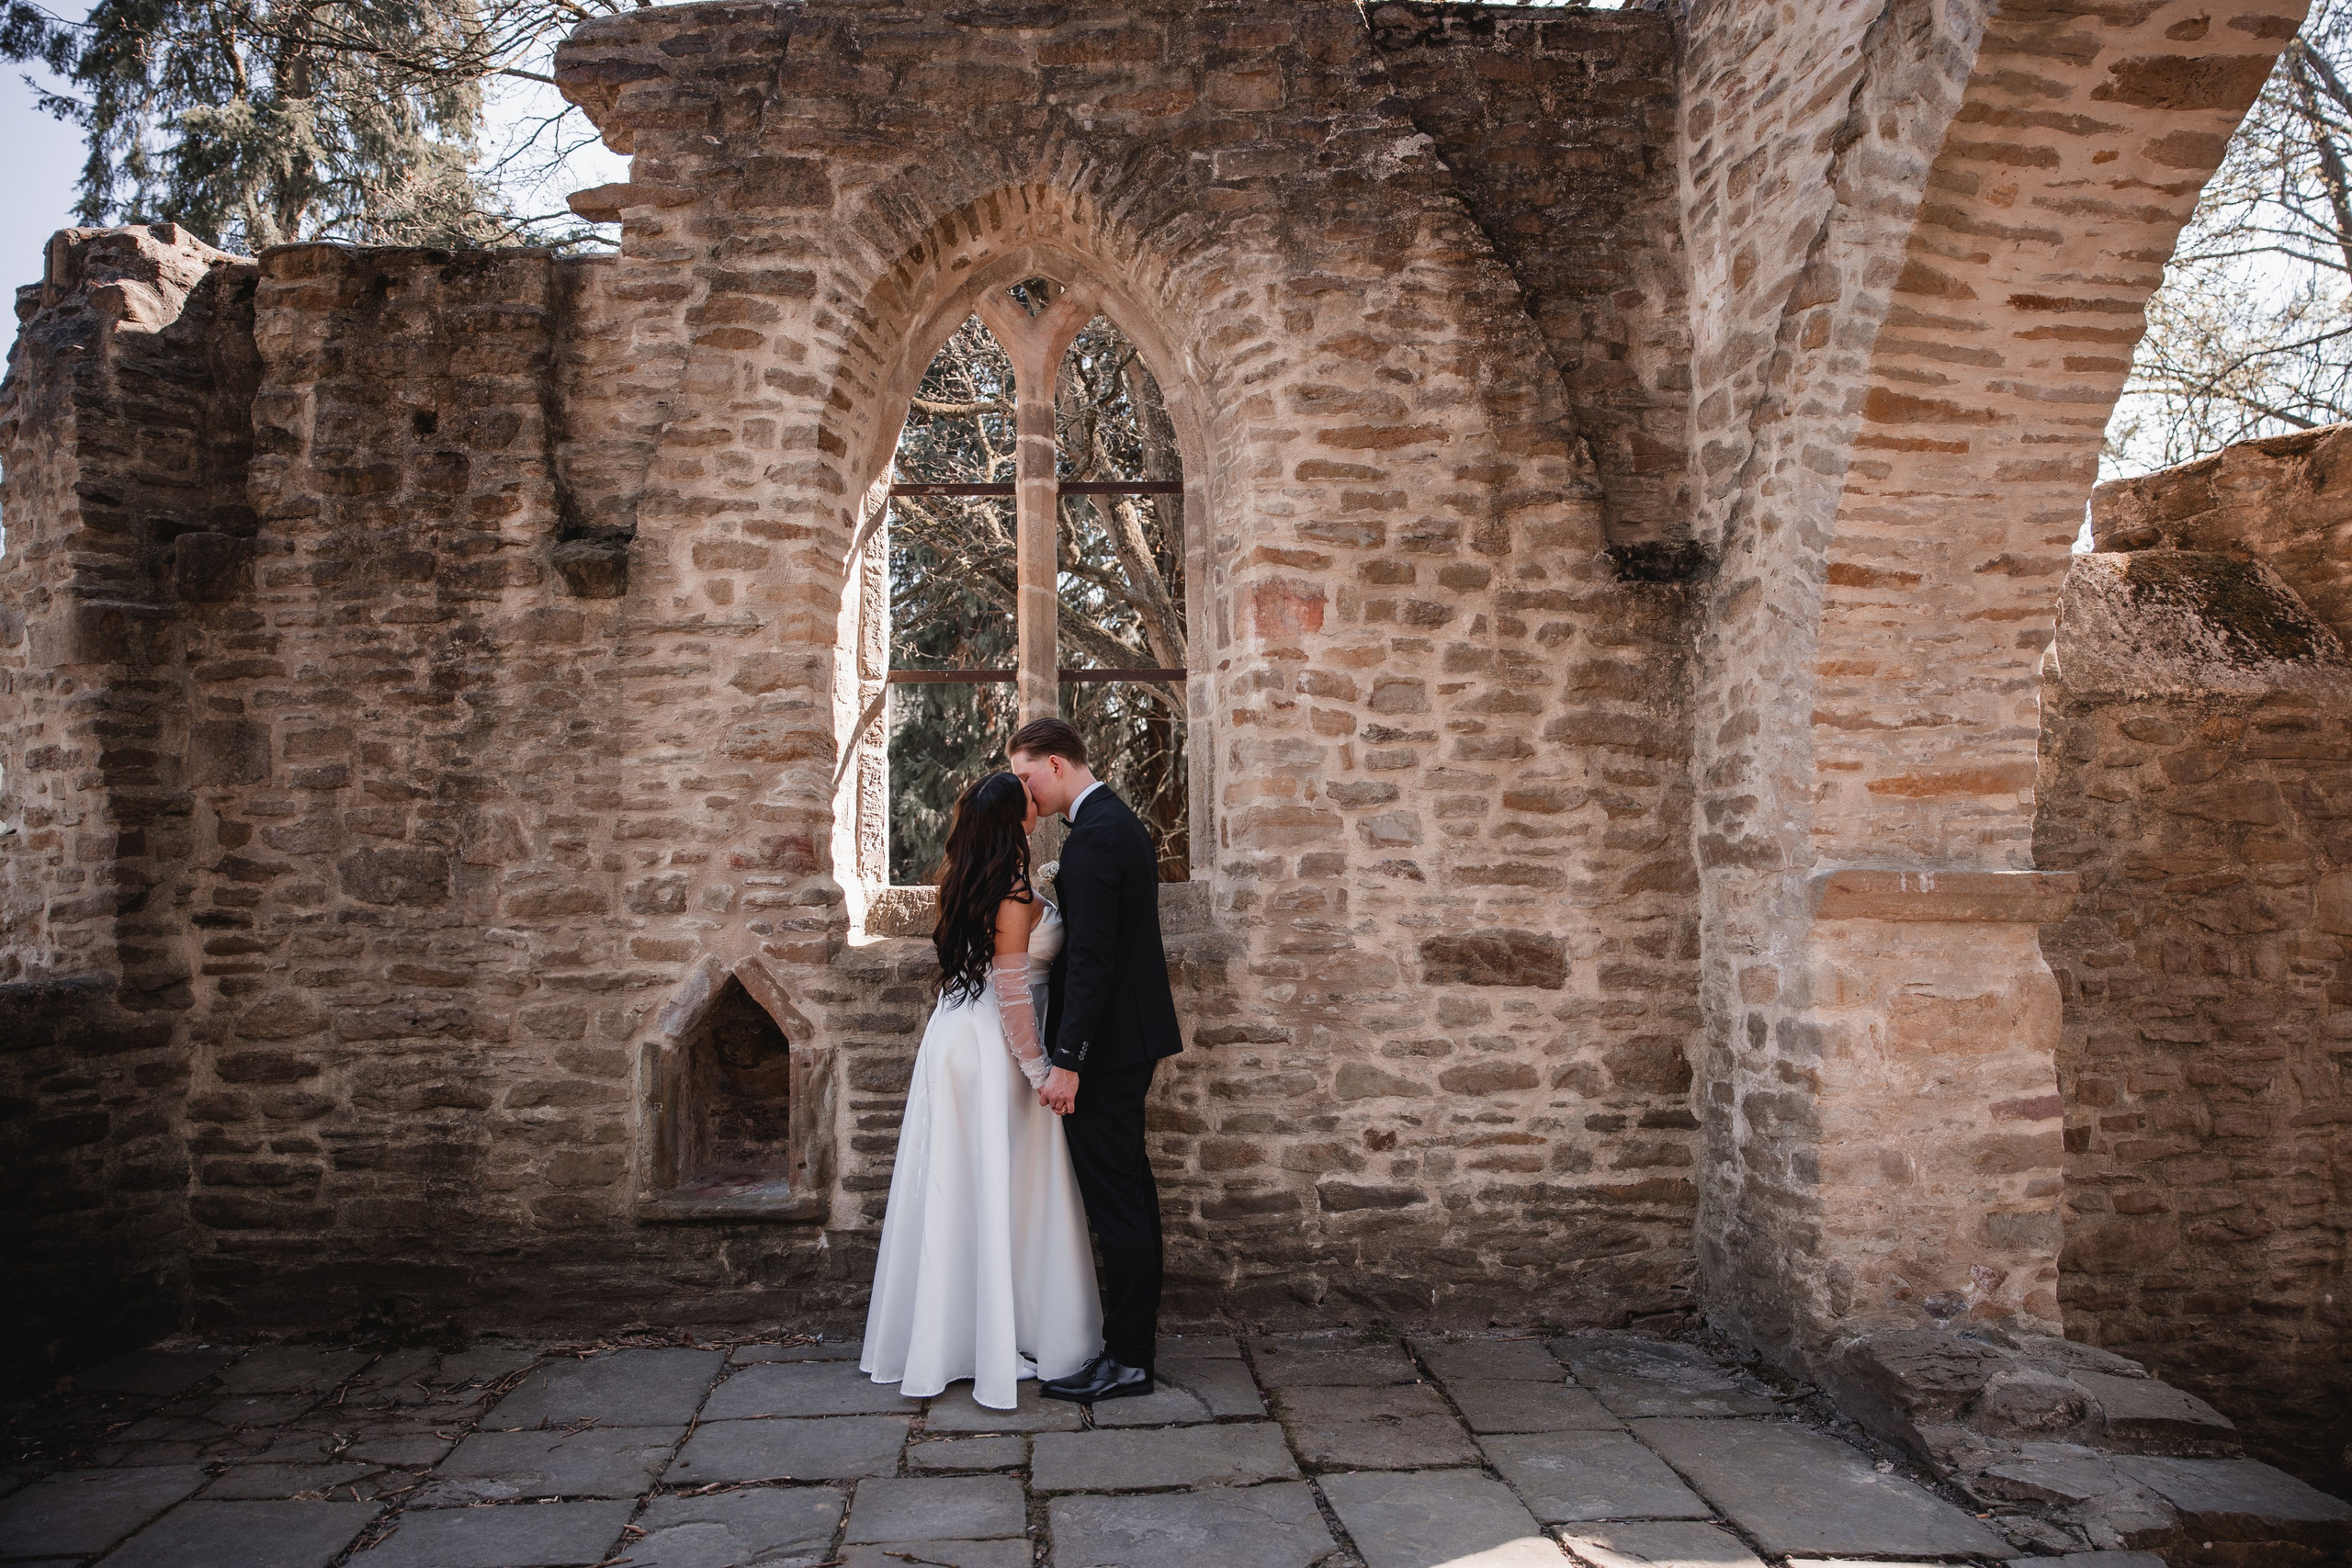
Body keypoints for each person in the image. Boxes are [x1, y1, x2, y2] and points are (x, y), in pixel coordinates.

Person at [860, 772, 1102, 1410]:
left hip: (955, 1034)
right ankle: (986, 1338)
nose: (1034, 795)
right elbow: (1013, 993)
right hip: (993, 1046)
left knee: (964, 1183)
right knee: (997, 1182)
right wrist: (1041, 1072)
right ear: (1012, 819)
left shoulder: (970, 878)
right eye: (1025, 795)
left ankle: (965, 1333)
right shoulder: (1013, 893)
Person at [1006, 716, 1183, 1403]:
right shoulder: (1108, 823)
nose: (1024, 792)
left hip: (1106, 1051)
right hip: (1123, 1042)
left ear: (1055, 764)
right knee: (1128, 1194)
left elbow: (1092, 962)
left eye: (1026, 777)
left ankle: (1130, 1358)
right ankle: (1131, 1349)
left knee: (1118, 1204)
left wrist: (1068, 1059)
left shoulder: (1099, 836)